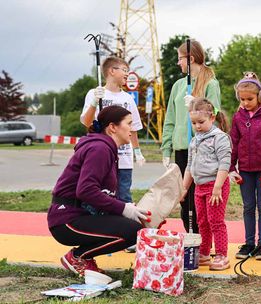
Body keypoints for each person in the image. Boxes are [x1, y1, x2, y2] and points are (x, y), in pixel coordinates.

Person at [48, 105, 150, 277]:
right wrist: (124, 209)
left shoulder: (105, 148)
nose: (132, 129)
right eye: (129, 123)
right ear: (113, 127)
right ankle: (78, 257)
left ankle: (83, 257)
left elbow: (103, 194)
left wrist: (127, 208)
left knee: (136, 226)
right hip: (67, 220)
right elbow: (86, 190)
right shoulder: (100, 149)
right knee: (133, 231)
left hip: (79, 215)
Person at [161, 39, 221, 234]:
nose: (178, 63)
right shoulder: (178, 85)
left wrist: (197, 103)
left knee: (200, 199)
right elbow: (170, 117)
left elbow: (216, 112)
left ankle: (202, 241)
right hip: (181, 147)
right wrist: (166, 148)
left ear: (191, 58)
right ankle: (190, 239)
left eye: (180, 59)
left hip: (202, 148)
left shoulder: (211, 83)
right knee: (184, 198)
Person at [229, 72, 261, 260]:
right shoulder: (238, 117)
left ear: (259, 96)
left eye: (249, 99)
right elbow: (233, 143)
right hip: (245, 171)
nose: (245, 103)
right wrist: (230, 168)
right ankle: (249, 243)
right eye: (242, 99)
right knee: (248, 207)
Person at [80, 56, 145, 205]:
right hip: (101, 157)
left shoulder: (128, 98)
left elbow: (133, 127)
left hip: (123, 159)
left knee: (124, 198)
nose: (127, 74)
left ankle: (125, 227)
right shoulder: (95, 93)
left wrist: (137, 151)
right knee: (101, 198)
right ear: (111, 71)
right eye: (124, 70)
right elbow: (86, 122)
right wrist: (94, 102)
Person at [180, 98, 231, 271]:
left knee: (215, 220)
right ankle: (204, 252)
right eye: (193, 123)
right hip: (200, 187)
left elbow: (225, 164)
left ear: (212, 117)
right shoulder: (194, 140)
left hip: (216, 186)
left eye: (201, 122)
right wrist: (184, 188)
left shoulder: (220, 138)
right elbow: (189, 166)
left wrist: (217, 187)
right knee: (202, 221)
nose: (197, 126)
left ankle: (222, 254)